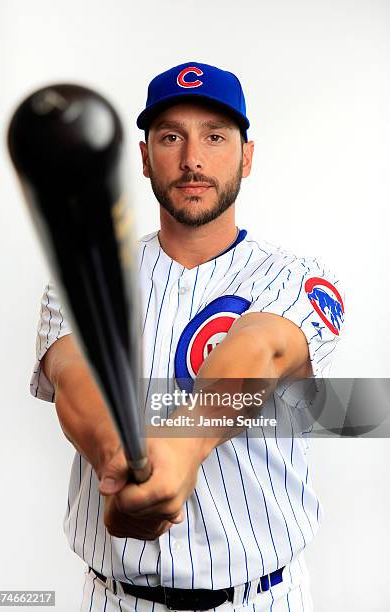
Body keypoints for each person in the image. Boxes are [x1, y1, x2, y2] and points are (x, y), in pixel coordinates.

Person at [30, 62, 345, 611]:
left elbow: (260, 351)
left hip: (260, 599)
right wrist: (118, 462)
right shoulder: (81, 279)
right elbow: (77, 379)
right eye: (171, 136)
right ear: (146, 156)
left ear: (247, 156)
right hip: (116, 600)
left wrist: (179, 448)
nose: (193, 158)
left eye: (215, 136)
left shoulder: (299, 278)